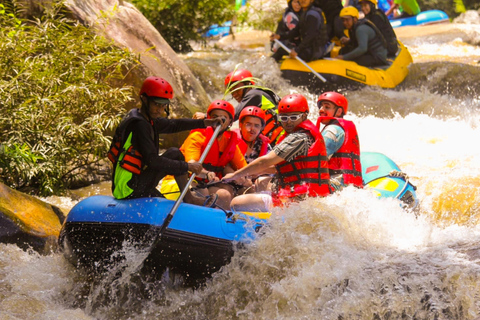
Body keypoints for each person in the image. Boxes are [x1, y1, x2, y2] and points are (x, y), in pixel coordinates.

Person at [108, 76, 221, 203]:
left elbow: (175, 124)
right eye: (156, 105)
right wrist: (187, 166)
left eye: (163, 106)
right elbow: (153, 161)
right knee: (175, 155)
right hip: (128, 188)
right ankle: (189, 198)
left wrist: (206, 123)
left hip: (136, 181)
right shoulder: (139, 125)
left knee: (174, 153)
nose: (160, 110)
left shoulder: (146, 118)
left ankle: (188, 197)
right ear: (144, 99)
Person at [223, 93, 332, 212]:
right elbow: (287, 167)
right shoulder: (302, 134)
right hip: (308, 196)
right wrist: (260, 171)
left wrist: (235, 175)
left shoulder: (299, 138)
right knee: (260, 181)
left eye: (294, 117)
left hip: (298, 201)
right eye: (284, 118)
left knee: (235, 203)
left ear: (305, 115)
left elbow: (265, 161)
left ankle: (268, 221)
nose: (288, 122)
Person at [180, 99, 248, 209]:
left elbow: (245, 168)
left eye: (223, 118)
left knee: (227, 192)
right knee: (207, 192)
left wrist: (243, 178)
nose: (218, 121)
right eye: (214, 117)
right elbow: (191, 165)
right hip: (186, 180)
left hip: (206, 183)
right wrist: (206, 173)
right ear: (209, 119)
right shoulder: (197, 136)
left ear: (230, 122)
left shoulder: (229, 142)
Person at [316, 92, 363, 188]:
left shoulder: (332, 130)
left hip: (336, 183)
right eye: (321, 106)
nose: (321, 110)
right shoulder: (342, 128)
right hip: (350, 185)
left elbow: (317, 160)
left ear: (338, 111)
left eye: (327, 107)